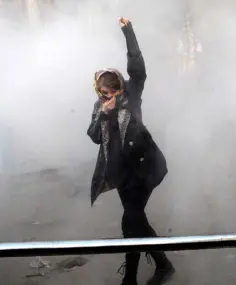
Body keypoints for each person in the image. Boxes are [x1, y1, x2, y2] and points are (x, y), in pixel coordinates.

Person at [87, 17, 175, 285]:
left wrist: (128, 30)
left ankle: (131, 279)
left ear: (119, 89)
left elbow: (138, 68)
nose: (106, 98)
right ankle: (163, 265)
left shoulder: (132, 95)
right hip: (123, 174)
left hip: (144, 169)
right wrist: (103, 115)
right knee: (137, 222)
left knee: (130, 223)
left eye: (110, 94)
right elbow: (93, 137)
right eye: (102, 94)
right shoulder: (99, 107)